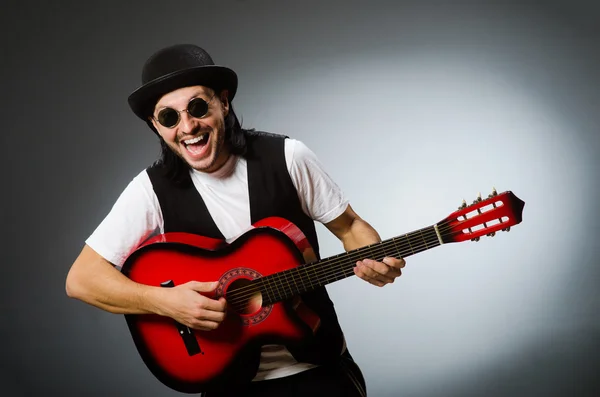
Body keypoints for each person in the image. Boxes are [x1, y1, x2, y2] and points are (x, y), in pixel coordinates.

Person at [65, 44, 406, 397]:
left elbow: (350, 227)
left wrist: (373, 257)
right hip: (225, 381)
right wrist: (166, 302)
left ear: (223, 103)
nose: (188, 126)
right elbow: (82, 280)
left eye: (198, 107)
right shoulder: (150, 190)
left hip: (318, 369)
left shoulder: (288, 157)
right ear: (156, 125)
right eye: (169, 117)